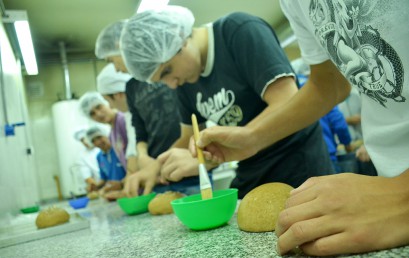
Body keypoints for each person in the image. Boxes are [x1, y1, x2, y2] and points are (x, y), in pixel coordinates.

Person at [187, 1, 409, 256]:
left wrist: (403, 194)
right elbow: (330, 84)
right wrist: (253, 137)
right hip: (387, 188)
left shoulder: (240, 30)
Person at [119, 5, 335, 199]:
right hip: (249, 171)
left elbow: (287, 101)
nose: (172, 84)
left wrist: (230, 147)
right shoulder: (184, 81)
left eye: (167, 71)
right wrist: (155, 167)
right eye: (162, 80)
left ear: (180, 38)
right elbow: (188, 137)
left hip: (297, 165)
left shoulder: (238, 31)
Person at [95, 20, 202, 196]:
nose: (115, 68)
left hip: (188, 167)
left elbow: (192, 125)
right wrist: (143, 156)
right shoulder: (132, 87)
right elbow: (140, 131)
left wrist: (157, 164)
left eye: (111, 60)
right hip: (156, 177)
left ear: (121, 46)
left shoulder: (171, 69)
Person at [96, 63, 139, 175]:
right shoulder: (129, 115)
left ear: (118, 94)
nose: (110, 107)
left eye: (108, 101)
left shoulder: (124, 118)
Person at [79, 91, 128, 171]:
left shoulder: (123, 120)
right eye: (92, 114)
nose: (98, 114)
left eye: (99, 107)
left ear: (107, 102)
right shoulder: (111, 135)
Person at [86, 126, 126, 197]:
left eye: (99, 137)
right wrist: (96, 186)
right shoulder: (99, 157)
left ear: (106, 135)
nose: (98, 142)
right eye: (93, 141)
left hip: (128, 189)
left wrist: (121, 184)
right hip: (113, 194)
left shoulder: (119, 149)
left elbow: (133, 171)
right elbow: (104, 178)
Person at [72, 127, 101, 192]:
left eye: (86, 138)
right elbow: (87, 176)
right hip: (102, 185)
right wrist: (96, 186)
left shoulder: (103, 147)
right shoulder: (82, 156)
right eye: (82, 140)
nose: (85, 141)